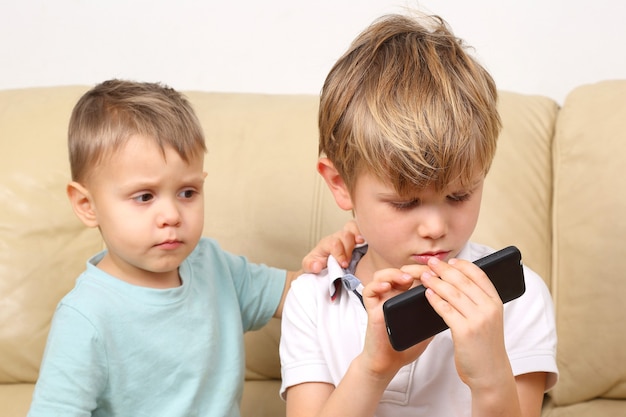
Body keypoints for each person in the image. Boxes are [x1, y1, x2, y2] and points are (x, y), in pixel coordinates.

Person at [27, 79, 361, 417]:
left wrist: (336, 261)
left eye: (187, 192)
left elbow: (304, 295)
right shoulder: (85, 318)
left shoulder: (211, 264)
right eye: (144, 196)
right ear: (87, 204)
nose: (171, 215)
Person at [279, 13, 558, 417]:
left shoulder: (519, 298)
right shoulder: (314, 300)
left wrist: (491, 376)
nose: (436, 228)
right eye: (405, 203)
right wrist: (373, 369)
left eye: (459, 195)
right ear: (340, 184)